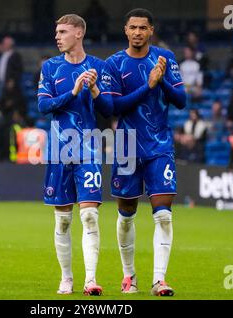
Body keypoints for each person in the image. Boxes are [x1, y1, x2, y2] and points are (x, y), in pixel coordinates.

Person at [105, 8, 186, 296]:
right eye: (133, 27)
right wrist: (149, 84)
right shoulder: (113, 63)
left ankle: (159, 280)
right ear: (125, 30)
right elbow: (113, 107)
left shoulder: (165, 59)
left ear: (151, 30)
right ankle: (129, 276)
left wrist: (162, 79)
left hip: (159, 144)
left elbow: (181, 101)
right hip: (127, 145)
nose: (137, 32)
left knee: (163, 215)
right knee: (126, 214)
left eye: (143, 27)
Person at [37, 14, 113, 296]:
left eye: (63, 32)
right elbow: (44, 106)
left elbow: (108, 109)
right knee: (63, 220)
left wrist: (93, 89)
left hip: (89, 149)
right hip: (59, 150)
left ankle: (90, 280)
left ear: (79, 33)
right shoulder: (50, 67)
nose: (57, 37)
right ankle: (66, 277)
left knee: (90, 216)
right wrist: (74, 91)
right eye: (56, 32)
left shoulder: (98, 67)